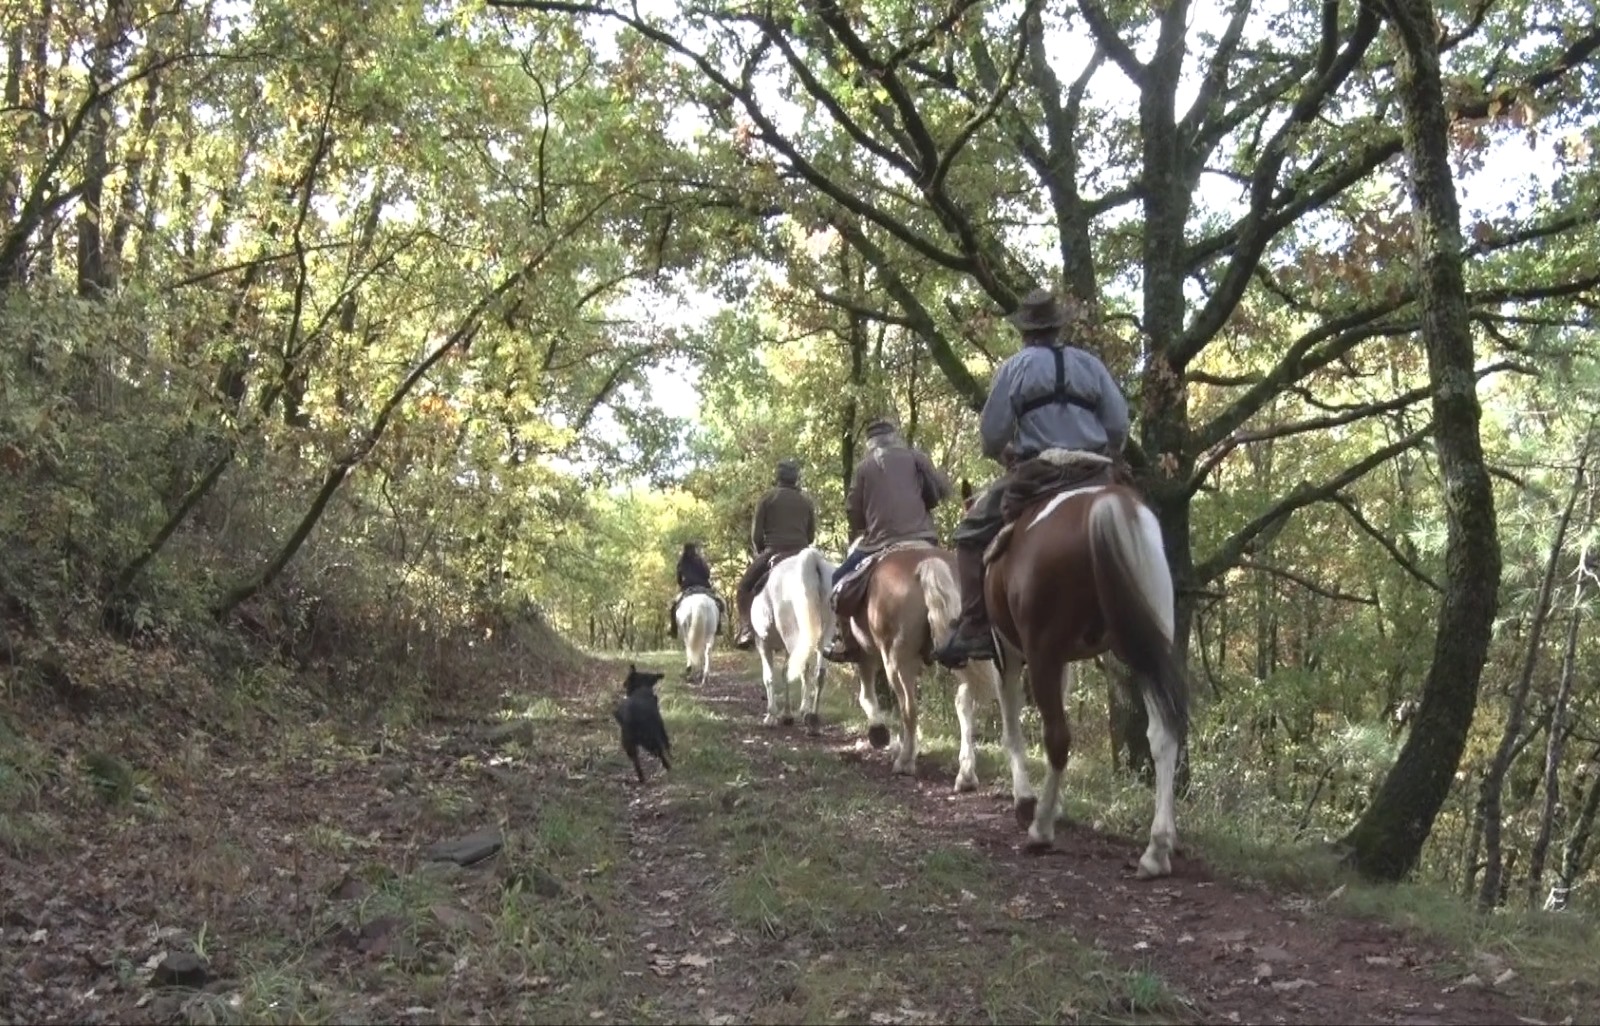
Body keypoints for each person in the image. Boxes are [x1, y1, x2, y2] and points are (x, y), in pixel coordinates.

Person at [931, 287, 1131, 668]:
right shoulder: (1090, 365)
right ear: (1058, 329)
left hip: (1041, 472)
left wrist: (1004, 452)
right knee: (1143, 517)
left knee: (970, 534)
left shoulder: (1016, 368)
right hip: (1095, 469)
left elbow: (992, 436)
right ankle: (1163, 592)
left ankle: (974, 625)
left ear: (1025, 332)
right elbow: (1118, 424)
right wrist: (1106, 450)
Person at [820, 416, 953, 663]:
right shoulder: (916, 458)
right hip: (924, 538)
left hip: (881, 542)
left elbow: (853, 510)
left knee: (838, 580)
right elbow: (937, 493)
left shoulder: (863, 468)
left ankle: (845, 643)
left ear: (870, 443)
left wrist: (861, 526)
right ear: (894, 437)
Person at [732, 458, 818, 649]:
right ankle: (835, 630)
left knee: (743, 588)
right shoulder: (806, 502)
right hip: (803, 553)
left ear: (778, 477)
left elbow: (756, 535)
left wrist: (761, 550)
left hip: (774, 550)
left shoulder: (767, 498)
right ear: (795, 479)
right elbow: (811, 536)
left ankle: (746, 628)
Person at [667, 541, 724, 639]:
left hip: (688, 587)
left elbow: (679, 579)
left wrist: (682, 584)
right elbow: (707, 574)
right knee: (720, 603)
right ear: (695, 550)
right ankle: (718, 627)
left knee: (673, 607)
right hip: (704, 587)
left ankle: (673, 630)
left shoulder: (682, 562)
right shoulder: (700, 560)